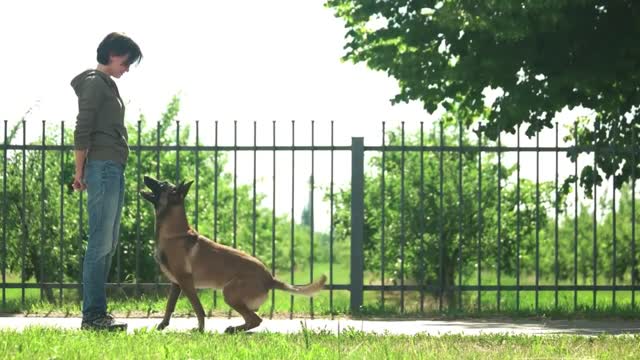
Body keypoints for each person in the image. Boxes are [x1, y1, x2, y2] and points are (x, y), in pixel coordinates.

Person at [71, 32, 142, 331]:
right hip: (101, 168)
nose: (127, 68)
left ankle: (98, 314)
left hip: (112, 167)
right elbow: (82, 128)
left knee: (108, 242)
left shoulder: (106, 85)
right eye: (126, 62)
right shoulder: (93, 83)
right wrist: (79, 171)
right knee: (100, 242)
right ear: (112, 54)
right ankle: (93, 317)